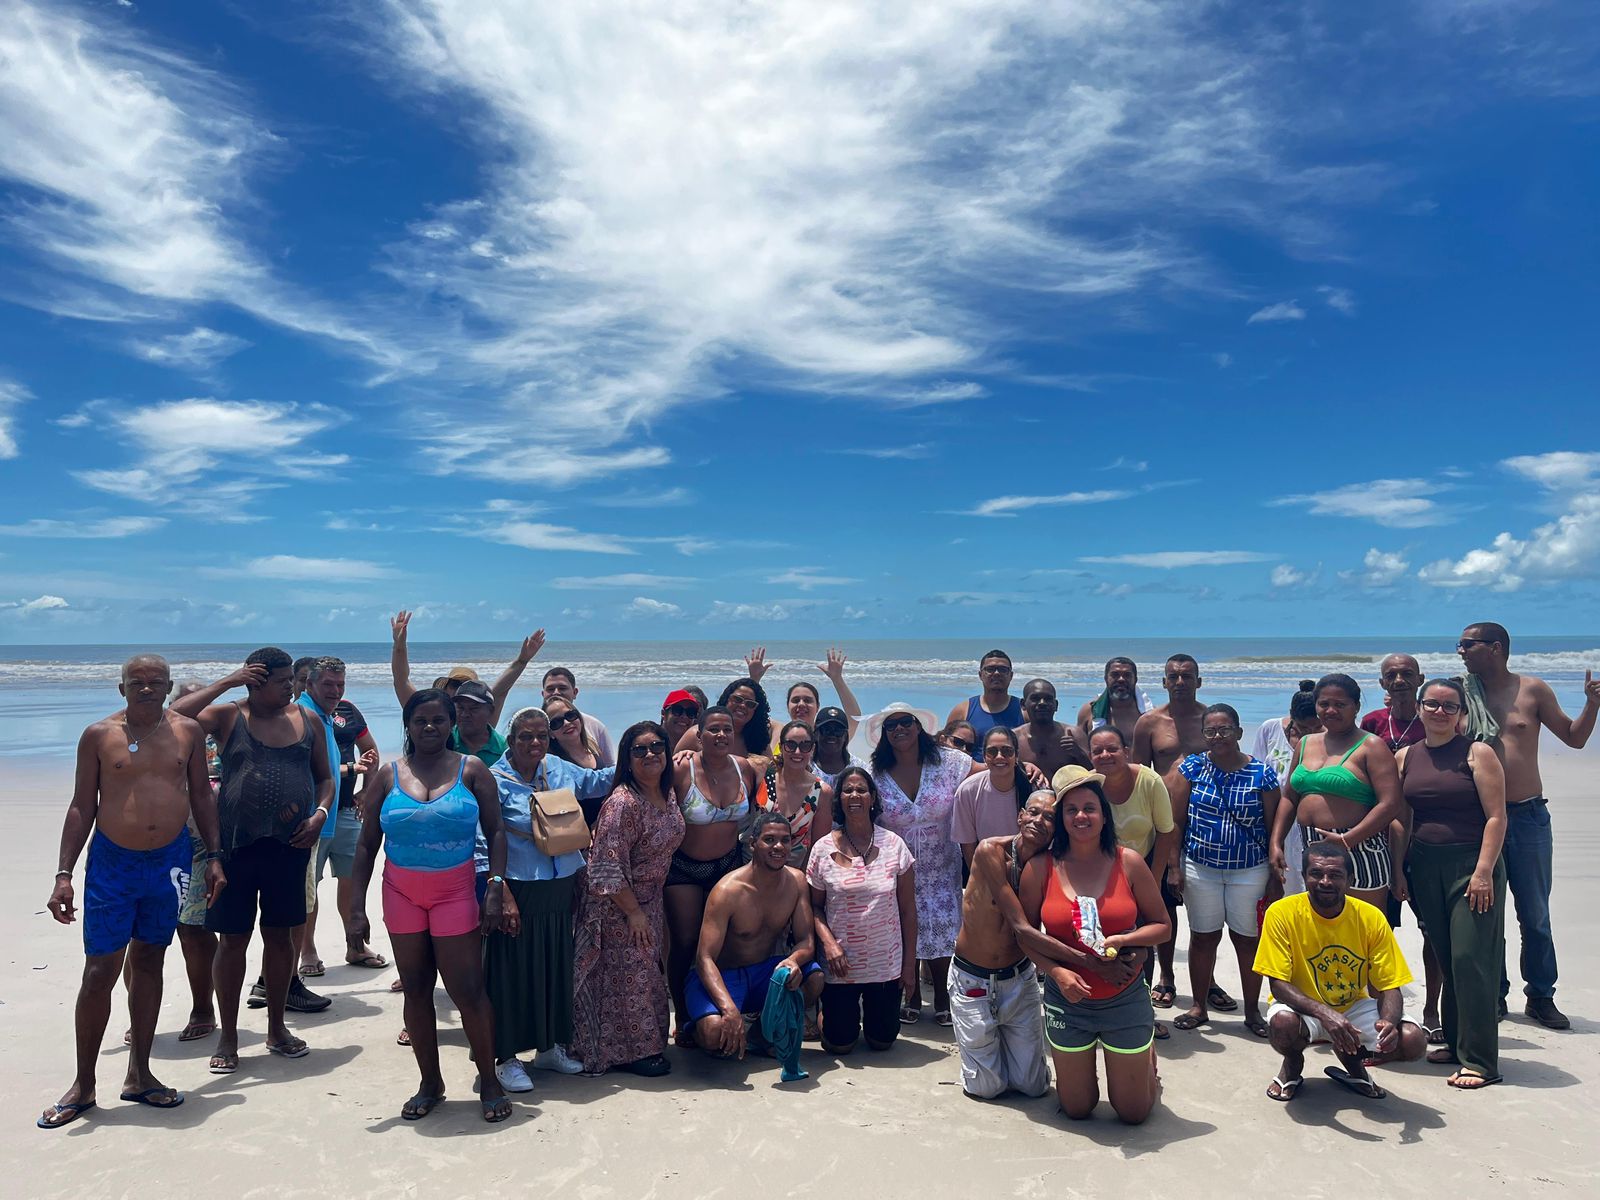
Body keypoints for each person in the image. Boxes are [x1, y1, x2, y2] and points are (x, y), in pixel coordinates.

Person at [39, 656, 225, 1130]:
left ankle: (140, 1074)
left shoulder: (187, 732)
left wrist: (215, 856)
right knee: (100, 969)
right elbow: (82, 804)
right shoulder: (99, 735)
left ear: (167, 686)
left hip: (170, 862)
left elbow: (201, 796)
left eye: (155, 682)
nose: (146, 688)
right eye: (136, 682)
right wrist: (64, 873)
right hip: (113, 865)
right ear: (121, 688)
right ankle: (83, 1084)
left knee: (149, 961)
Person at [348, 689, 513, 1122]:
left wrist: (495, 885)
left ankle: (489, 1081)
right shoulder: (388, 775)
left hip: (454, 892)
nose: (429, 727)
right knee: (416, 990)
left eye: (439, 720)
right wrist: (355, 909)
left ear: (451, 724)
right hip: (400, 894)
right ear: (407, 724)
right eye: (420, 720)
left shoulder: (471, 769)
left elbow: (497, 831)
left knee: (468, 991)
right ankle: (430, 1083)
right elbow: (366, 846)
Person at [170, 649, 334, 1074]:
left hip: (290, 846)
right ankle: (228, 1037)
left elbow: (325, 778)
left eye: (291, 680)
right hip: (235, 849)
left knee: (280, 938)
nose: (290, 688)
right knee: (233, 940)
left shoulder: (307, 720)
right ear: (255, 682)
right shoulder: (228, 716)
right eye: (281, 681)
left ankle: (277, 1029)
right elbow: (175, 715)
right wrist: (229, 680)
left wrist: (320, 814)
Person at [1457, 622, 1598, 1029]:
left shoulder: (1532, 690)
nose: (1460, 651)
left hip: (1527, 815)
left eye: (1467, 644)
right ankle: (1495, 994)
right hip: (1478, 819)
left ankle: (1540, 996)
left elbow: (1574, 739)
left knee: (1534, 913)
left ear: (1495, 647)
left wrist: (1592, 704)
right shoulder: (1461, 693)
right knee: (1486, 912)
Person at [1018, 767, 1170, 1124]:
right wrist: (1056, 972)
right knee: (1077, 1108)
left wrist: (1126, 939)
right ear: (1061, 819)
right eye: (1071, 810)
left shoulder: (1128, 861)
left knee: (1133, 1113)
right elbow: (1025, 935)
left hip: (1124, 996)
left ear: (1104, 815)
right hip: (1067, 1001)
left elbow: (1162, 926)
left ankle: (1146, 1061)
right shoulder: (1040, 867)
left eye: (1089, 808)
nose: (1081, 817)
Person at [483, 707, 616, 1090]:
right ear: (510, 740)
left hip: (560, 885)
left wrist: (640, 756)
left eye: (542, 735)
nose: (535, 743)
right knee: (511, 974)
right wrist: (500, 891)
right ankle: (506, 1056)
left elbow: (596, 782)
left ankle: (548, 1048)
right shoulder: (493, 780)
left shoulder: (556, 767)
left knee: (554, 966)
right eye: (526, 736)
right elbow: (484, 839)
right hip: (518, 887)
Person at [1398, 679, 1508, 1089]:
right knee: (1446, 958)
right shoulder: (1406, 755)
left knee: (1470, 958)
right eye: (1432, 704)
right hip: (1426, 865)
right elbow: (1401, 819)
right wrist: (1397, 869)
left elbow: (1496, 817)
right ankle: (1459, 1042)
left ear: (1462, 713)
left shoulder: (1478, 753)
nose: (1440, 712)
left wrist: (1483, 871)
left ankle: (1481, 1062)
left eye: (1450, 706)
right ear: (1419, 708)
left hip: (1472, 866)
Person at [1256, 840, 1426, 1101]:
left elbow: (1390, 984)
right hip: (1302, 1008)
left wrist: (1389, 1024)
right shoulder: (1281, 913)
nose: (1325, 882)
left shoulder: (1371, 917)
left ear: (1350, 880)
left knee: (1412, 1040)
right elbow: (1277, 984)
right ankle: (1292, 1063)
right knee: (1282, 1025)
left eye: (1335, 875)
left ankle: (1353, 1061)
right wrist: (1325, 1014)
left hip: (1352, 1006)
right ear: (1304, 877)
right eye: (1316, 873)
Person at [570, 722, 685, 1077]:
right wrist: (634, 912)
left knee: (644, 973)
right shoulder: (623, 803)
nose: (650, 754)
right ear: (627, 758)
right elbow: (605, 867)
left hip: (649, 901)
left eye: (656, 746)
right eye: (640, 749)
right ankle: (628, 1053)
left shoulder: (666, 794)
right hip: (617, 905)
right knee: (627, 977)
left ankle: (644, 1046)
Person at [1168, 703, 1280, 1036]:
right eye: (1211, 731)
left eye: (1225, 729)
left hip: (1250, 870)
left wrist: (1275, 873)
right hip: (1200, 867)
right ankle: (1199, 1006)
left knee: (1247, 941)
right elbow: (1176, 821)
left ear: (1239, 732)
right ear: (1203, 735)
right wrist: (1174, 866)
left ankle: (1252, 1013)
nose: (1218, 736)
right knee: (1204, 937)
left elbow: (1274, 827)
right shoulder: (1192, 768)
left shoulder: (1262, 773)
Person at [869, 702, 985, 1024]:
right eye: (891, 725)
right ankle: (912, 994)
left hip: (942, 865)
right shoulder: (875, 773)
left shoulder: (949, 762)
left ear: (919, 726)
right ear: (884, 734)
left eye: (906, 722)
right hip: (898, 867)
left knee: (945, 929)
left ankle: (943, 996)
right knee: (906, 926)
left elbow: (990, 774)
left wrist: (1024, 767)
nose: (899, 729)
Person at [948, 790, 1060, 1099]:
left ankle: (998, 1053)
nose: (1039, 821)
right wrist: (1079, 963)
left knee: (1033, 1086)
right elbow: (1021, 927)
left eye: (1049, 817)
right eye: (1034, 812)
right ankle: (984, 1056)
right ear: (1020, 816)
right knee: (987, 1088)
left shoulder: (1052, 865)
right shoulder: (991, 851)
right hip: (973, 980)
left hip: (1018, 978)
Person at [688, 812, 823, 1060]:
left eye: (785, 840)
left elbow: (806, 941)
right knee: (714, 1035)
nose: (778, 847)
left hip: (762, 973)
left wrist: (793, 961)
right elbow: (704, 958)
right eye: (769, 840)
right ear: (752, 844)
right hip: (723, 976)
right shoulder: (728, 891)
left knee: (813, 978)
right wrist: (729, 1009)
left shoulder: (796, 882)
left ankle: (761, 1033)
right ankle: (697, 1027)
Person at [1133, 654, 1222, 1012]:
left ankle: (1207, 979)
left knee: (1205, 907)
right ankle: (1166, 976)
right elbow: (1139, 775)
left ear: (1199, 681)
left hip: (1206, 820)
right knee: (1164, 904)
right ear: (1164, 682)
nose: (1180, 682)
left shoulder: (1211, 719)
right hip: (1161, 822)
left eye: (1187, 676)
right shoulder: (1149, 723)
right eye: (1174, 676)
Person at [806, 768, 918, 1054]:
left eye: (861, 790)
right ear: (839, 799)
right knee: (840, 1045)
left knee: (882, 1042)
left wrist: (908, 967)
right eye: (847, 790)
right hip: (840, 964)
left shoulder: (895, 845)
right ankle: (827, 1015)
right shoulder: (822, 849)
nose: (854, 795)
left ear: (873, 798)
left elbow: (908, 910)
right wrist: (829, 945)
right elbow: (814, 906)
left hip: (885, 964)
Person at [665, 705, 759, 1039]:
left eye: (727, 730)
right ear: (698, 734)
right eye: (713, 729)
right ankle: (682, 1015)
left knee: (725, 944)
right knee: (686, 943)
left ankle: (723, 1008)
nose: (721, 735)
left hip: (729, 865)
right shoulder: (681, 769)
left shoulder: (745, 768)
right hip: (684, 867)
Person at [1275, 674, 1403, 913]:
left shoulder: (1371, 746)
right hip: (1313, 847)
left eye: (1340, 704)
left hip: (1360, 848)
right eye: (1324, 704)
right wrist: (1276, 842)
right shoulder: (1305, 743)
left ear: (1356, 707)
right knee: (1321, 926)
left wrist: (1347, 840)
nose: (1331, 710)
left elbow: (1390, 804)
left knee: (1364, 926)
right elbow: (1289, 797)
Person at [1086, 724, 1176, 1038]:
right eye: (1098, 751)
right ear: (1090, 756)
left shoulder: (1149, 781)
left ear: (1126, 751)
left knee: (1140, 943)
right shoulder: (1089, 784)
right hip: (1098, 872)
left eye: (1112, 749)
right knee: (1100, 941)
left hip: (1144, 868)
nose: (1105, 755)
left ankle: (1143, 1012)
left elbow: (1165, 831)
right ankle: (1100, 1007)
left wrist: (1153, 881)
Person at [298, 657, 384, 978]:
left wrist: (367, 791)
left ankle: (355, 946)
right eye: (328, 684)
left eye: (340, 684)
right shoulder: (299, 715)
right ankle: (307, 949)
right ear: (309, 684)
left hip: (347, 811)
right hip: (313, 817)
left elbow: (371, 752)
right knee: (310, 887)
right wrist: (350, 769)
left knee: (352, 880)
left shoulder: (346, 711)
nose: (335, 691)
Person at [389, 610, 546, 728]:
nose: (460, 691)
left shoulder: (484, 722)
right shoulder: (431, 720)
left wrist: (522, 660)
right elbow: (401, 681)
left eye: (465, 686)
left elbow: (501, 691)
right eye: (455, 685)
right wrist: (399, 645)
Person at [1250, 680, 1321, 896]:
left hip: (1314, 826)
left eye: (1316, 728)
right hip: (1277, 824)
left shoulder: (1330, 736)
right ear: (1291, 716)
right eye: (1303, 728)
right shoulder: (1270, 730)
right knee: (1281, 887)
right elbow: (1256, 775)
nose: (1310, 734)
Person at [744, 646, 864, 742]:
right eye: (795, 700)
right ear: (787, 706)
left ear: (817, 706)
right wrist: (754, 680)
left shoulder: (826, 737)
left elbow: (854, 717)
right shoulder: (776, 731)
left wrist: (837, 679)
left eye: (808, 700)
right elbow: (748, 717)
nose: (801, 704)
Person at [755, 720, 832, 868]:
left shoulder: (821, 792)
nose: (797, 752)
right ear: (781, 747)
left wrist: (801, 877)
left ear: (812, 749)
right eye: (791, 745)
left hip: (792, 871)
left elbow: (817, 847)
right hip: (754, 865)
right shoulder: (762, 775)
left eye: (805, 746)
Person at [951, 726, 1031, 868]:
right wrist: (979, 876)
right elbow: (968, 846)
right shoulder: (967, 791)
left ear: (1017, 755)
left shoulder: (1033, 787)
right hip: (987, 868)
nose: (999, 756)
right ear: (984, 756)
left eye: (1007, 751)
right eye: (992, 751)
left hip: (1030, 866)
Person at [945, 649, 1024, 757]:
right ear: (980, 675)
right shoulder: (963, 710)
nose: (996, 673)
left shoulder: (1023, 710)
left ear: (1011, 675)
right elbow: (945, 749)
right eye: (990, 669)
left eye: (1003, 669)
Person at [677, 677, 773, 765]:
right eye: (737, 699)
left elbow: (772, 771)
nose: (742, 705)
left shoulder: (759, 740)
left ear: (756, 711)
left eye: (750, 704)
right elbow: (673, 768)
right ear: (726, 700)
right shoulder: (696, 734)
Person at [1015, 678, 1092, 778]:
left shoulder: (1074, 734)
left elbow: (1094, 773)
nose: (1042, 703)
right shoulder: (1014, 738)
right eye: (1035, 698)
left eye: (1048, 699)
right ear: (1023, 704)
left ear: (1056, 705)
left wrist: (1079, 754)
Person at [541, 666, 615, 765]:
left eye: (562, 688)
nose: (556, 692)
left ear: (575, 692)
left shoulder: (595, 727)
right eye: (550, 689)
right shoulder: (537, 731)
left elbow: (610, 766)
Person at [1077, 657, 1153, 741]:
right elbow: (1080, 743)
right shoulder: (1090, 711)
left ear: (1135, 680)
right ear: (1106, 679)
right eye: (1115, 675)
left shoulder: (1150, 714)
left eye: (1127, 675)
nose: (1121, 679)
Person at [1363, 654, 1427, 752]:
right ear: (1382, 683)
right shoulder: (1372, 721)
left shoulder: (1432, 720)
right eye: (1391, 676)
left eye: (1407, 674)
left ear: (1420, 679)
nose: (1399, 680)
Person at [814, 705, 864, 786]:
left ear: (845, 736)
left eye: (838, 731)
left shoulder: (860, 768)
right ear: (816, 734)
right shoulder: (804, 766)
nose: (832, 735)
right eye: (826, 730)